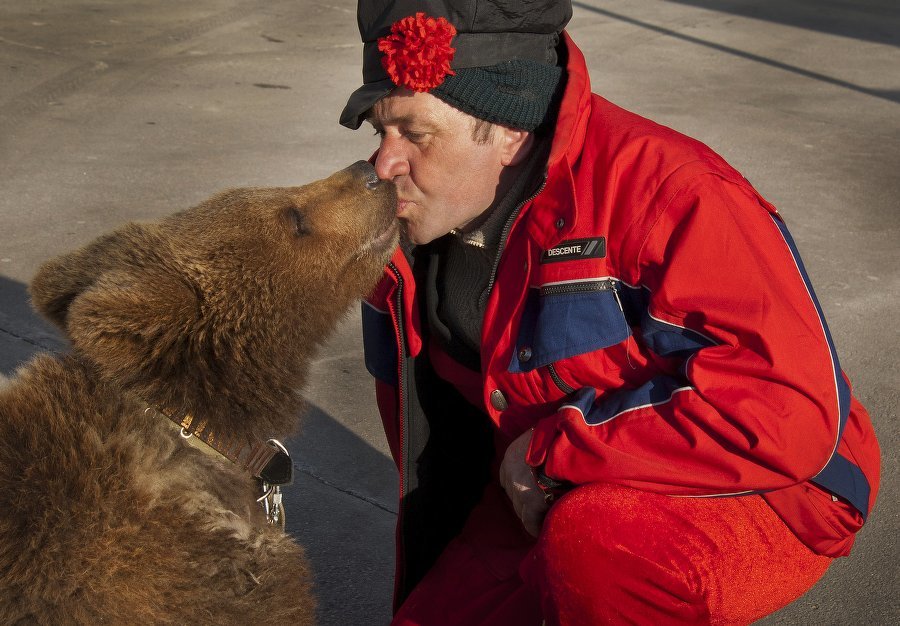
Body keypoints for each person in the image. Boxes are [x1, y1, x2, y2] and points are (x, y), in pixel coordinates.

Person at [340, 1, 881, 624]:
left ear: (511, 127)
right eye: (380, 131)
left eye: (414, 133)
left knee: (599, 548)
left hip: (764, 488)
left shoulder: (675, 193)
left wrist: (549, 452)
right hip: (540, 485)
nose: (384, 164)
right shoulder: (403, 238)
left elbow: (785, 411)